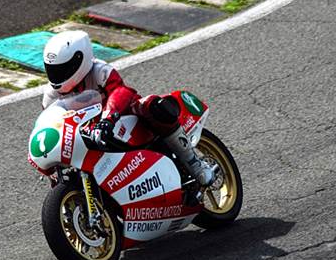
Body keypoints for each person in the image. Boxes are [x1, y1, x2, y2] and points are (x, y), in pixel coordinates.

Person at [42, 30, 215, 192]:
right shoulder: (50, 95)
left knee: (153, 105)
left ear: (80, 60)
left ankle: (194, 164)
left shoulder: (99, 71)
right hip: (87, 136)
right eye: (53, 70)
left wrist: (107, 120)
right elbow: (51, 125)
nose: (57, 75)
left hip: (120, 121)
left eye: (63, 69)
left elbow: (121, 91)